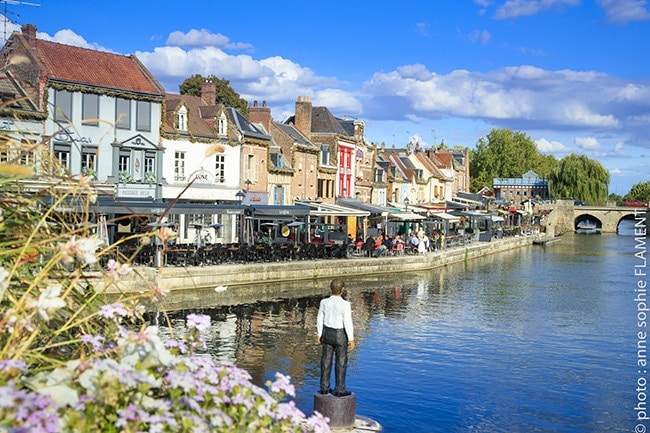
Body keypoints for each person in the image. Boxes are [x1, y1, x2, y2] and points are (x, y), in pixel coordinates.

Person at [317, 279, 355, 397]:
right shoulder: (345, 304)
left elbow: (319, 318)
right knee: (341, 362)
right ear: (342, 290)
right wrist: (351, 339)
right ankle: (340, 389)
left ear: (330, 288)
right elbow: (347, 322)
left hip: (327, 333)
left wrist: (319, 334)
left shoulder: (324, 302)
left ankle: (324, 388)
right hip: (340, 334)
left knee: (326, 361)